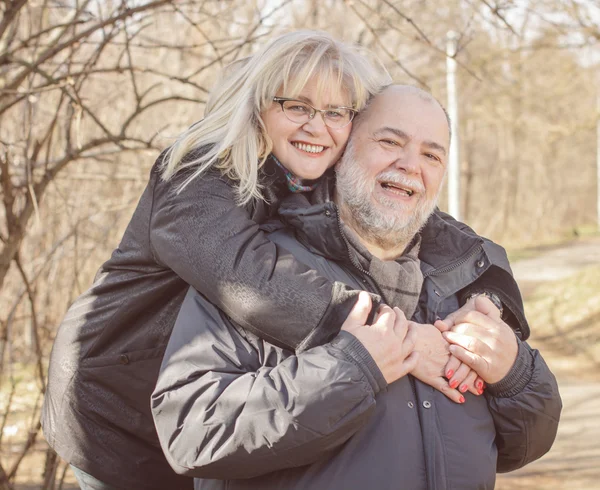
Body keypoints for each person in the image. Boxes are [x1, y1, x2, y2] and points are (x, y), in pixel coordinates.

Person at [151, 85, 562, 489]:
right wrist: (354, 370)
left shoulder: (464, 290)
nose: (410, 165)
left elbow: (520, 446)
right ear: (343, 150)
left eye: (431, 154)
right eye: (389, 141)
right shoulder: (261, 271)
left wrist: (515, 375)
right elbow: (190, 432)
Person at [41, 30, 395, 490]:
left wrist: (479, 298)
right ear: (258, 105)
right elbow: (245, 276)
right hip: (117, 403)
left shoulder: (309, 183)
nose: (317, 127)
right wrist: (385, 329)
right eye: (298, 107)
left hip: (207, 410)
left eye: (335, 112)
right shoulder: (198, 172)